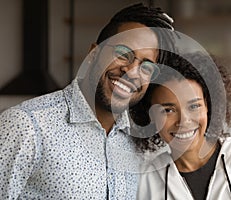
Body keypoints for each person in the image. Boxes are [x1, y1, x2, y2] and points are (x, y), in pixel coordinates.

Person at [0, 3, 175, 199]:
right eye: (123, 54)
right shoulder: (25, 125)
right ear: (93, 53)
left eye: (146, 67)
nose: (131, 72)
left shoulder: (141, 141)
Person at [131, 52, 231, 199]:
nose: (184, 121)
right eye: (168, 110)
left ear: (209, 107)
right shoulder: (145, 180)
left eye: (194, 106)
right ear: (150, 116)